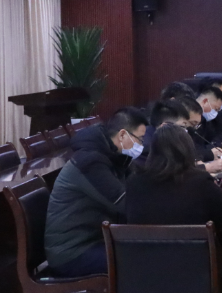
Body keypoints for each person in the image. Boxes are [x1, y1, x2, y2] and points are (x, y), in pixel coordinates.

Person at [45, 109, 147, 277]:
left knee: (148, 249)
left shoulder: (114, 156)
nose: (141, 146)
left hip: (94, 240)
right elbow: (125, 203)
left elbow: (138, 187)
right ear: (123, 135)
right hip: (72, 252)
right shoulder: (90, 162)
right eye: (140, 139)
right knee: (143, 258)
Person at [125, 124, 222, 243]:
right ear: (188, 150)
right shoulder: (201, 182)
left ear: (152, 151)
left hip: (144, 253)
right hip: (194, 254)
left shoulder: (133, 182)